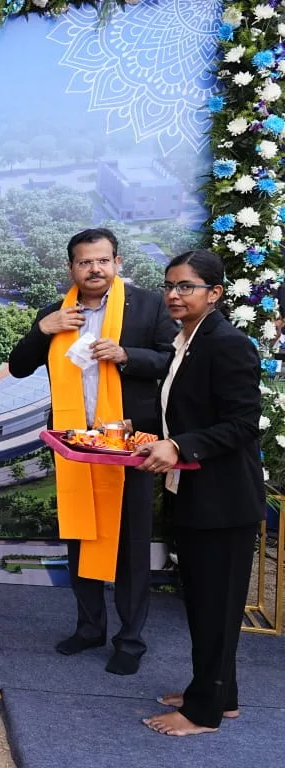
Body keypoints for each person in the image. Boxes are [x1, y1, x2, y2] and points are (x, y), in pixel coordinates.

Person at [8, 228, 176, 675]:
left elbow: (171, 361)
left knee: (131, 544)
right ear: (71, 268)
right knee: (79, 535)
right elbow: (19, 366)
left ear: (117, 263)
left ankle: (130, 640)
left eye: (103, 260)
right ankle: (89, 627)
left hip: (130, 446)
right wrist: (42, 330)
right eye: (85, 262)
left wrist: (126, 355)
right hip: (75, 445)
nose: (94, 269)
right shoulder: (56, 313)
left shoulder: (149, 306)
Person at [134, 250, 263, 737]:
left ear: (215, 293)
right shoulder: (185, 341)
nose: (173, 294)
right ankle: (218, 695)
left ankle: (203, 713)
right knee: (206, 604)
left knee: (216, 608)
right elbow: (182, 412)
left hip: (224, 501)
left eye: (186, 286)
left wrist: (180, 446)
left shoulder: (228, 344)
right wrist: (138, 431)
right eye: (169, 285)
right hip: (191, 492)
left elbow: (242, 424)